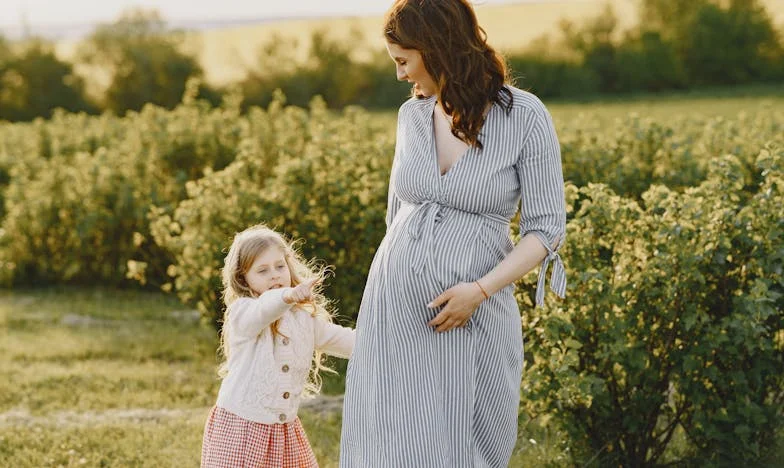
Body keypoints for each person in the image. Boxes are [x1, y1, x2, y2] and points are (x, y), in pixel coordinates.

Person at [340, 1, 566, 466]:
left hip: (472, 311)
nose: (400, 76)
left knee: (467, 443)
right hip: (395, 313)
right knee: (388, 443)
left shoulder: (525, 116)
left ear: (437, 49)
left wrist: (479, 291)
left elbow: (545, 231)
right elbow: (395, 216)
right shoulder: (412, 118)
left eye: (403, 61)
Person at [201, 224, 355, 468]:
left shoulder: (303, 318)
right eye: (262, 270)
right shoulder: (243, 311)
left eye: (280, 266)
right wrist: (288, 296)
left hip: (283, 431)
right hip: (242, 430)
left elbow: (344, 340)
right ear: (244, 278)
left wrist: (384, 341)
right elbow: (265, 309)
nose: (274, 275)